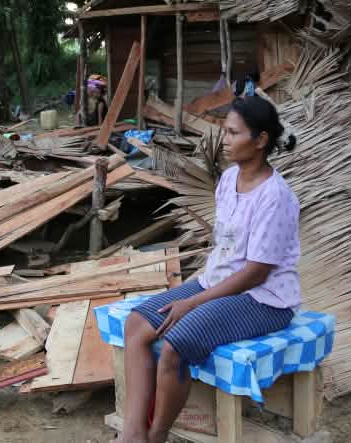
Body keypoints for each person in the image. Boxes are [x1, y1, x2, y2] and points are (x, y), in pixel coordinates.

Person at [114, 94, 300, 443]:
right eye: (225, 131)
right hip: (219, 281)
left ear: (260, 141)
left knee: (176, 343)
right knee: (138, 323)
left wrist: (193, 303)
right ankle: (133, 432)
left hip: (265, 298)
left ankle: (156, 436)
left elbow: (256, 273)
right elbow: (227, 248)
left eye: (233, 133)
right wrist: (197, 292)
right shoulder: (228, 179)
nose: (225, 140)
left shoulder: (275, 196)